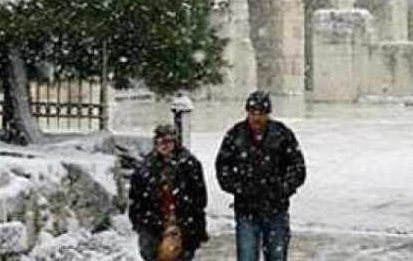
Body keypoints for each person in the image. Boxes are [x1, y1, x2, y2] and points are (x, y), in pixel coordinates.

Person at [215, 90, 306, 261]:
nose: (256, 118)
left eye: (261, 113)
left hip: (276, 209)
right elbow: (223, 167)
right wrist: (240, 188)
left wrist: (283, 188)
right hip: (246, 209)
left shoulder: (282, 134)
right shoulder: (235, 134)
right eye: (252, 113)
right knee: (247, 255)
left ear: (268, 114)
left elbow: (298, 167)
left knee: (276, 255)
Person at [129, 124, 209, 261]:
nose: (164, 146)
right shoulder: (146, 167)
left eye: (168, 142)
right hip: (153, 225)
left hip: (184, 224)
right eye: (160, 142)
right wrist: (141, 223)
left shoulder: (189, 164)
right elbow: (136, 199)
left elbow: (199, 197)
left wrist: (190, 219)